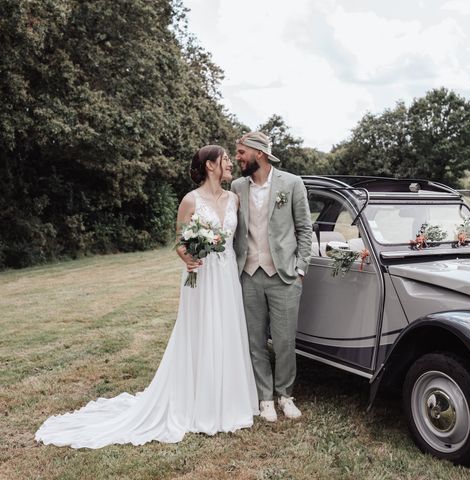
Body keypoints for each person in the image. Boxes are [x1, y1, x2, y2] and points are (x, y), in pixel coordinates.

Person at [35, 145, 258, 448]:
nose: (231, 164)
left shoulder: (234, 199)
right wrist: (187, 258)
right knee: (201, 333)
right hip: (201, 275)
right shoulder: (190, 200)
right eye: (226, 160)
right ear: (209, 165)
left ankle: (227, 401)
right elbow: (180, 241)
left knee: (227, 332)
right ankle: (197, 403)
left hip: (226, 275)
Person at [231, 132, 312, 422]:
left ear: (259, 154)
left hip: (284, 275)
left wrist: (300, 268)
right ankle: (265, 398)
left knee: (284, 341)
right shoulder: (237, 186)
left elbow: (305, 229)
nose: (237, 157)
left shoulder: (291, 183)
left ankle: (285, 395)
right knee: (254, 341)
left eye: (241, 152)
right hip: (248, 275)